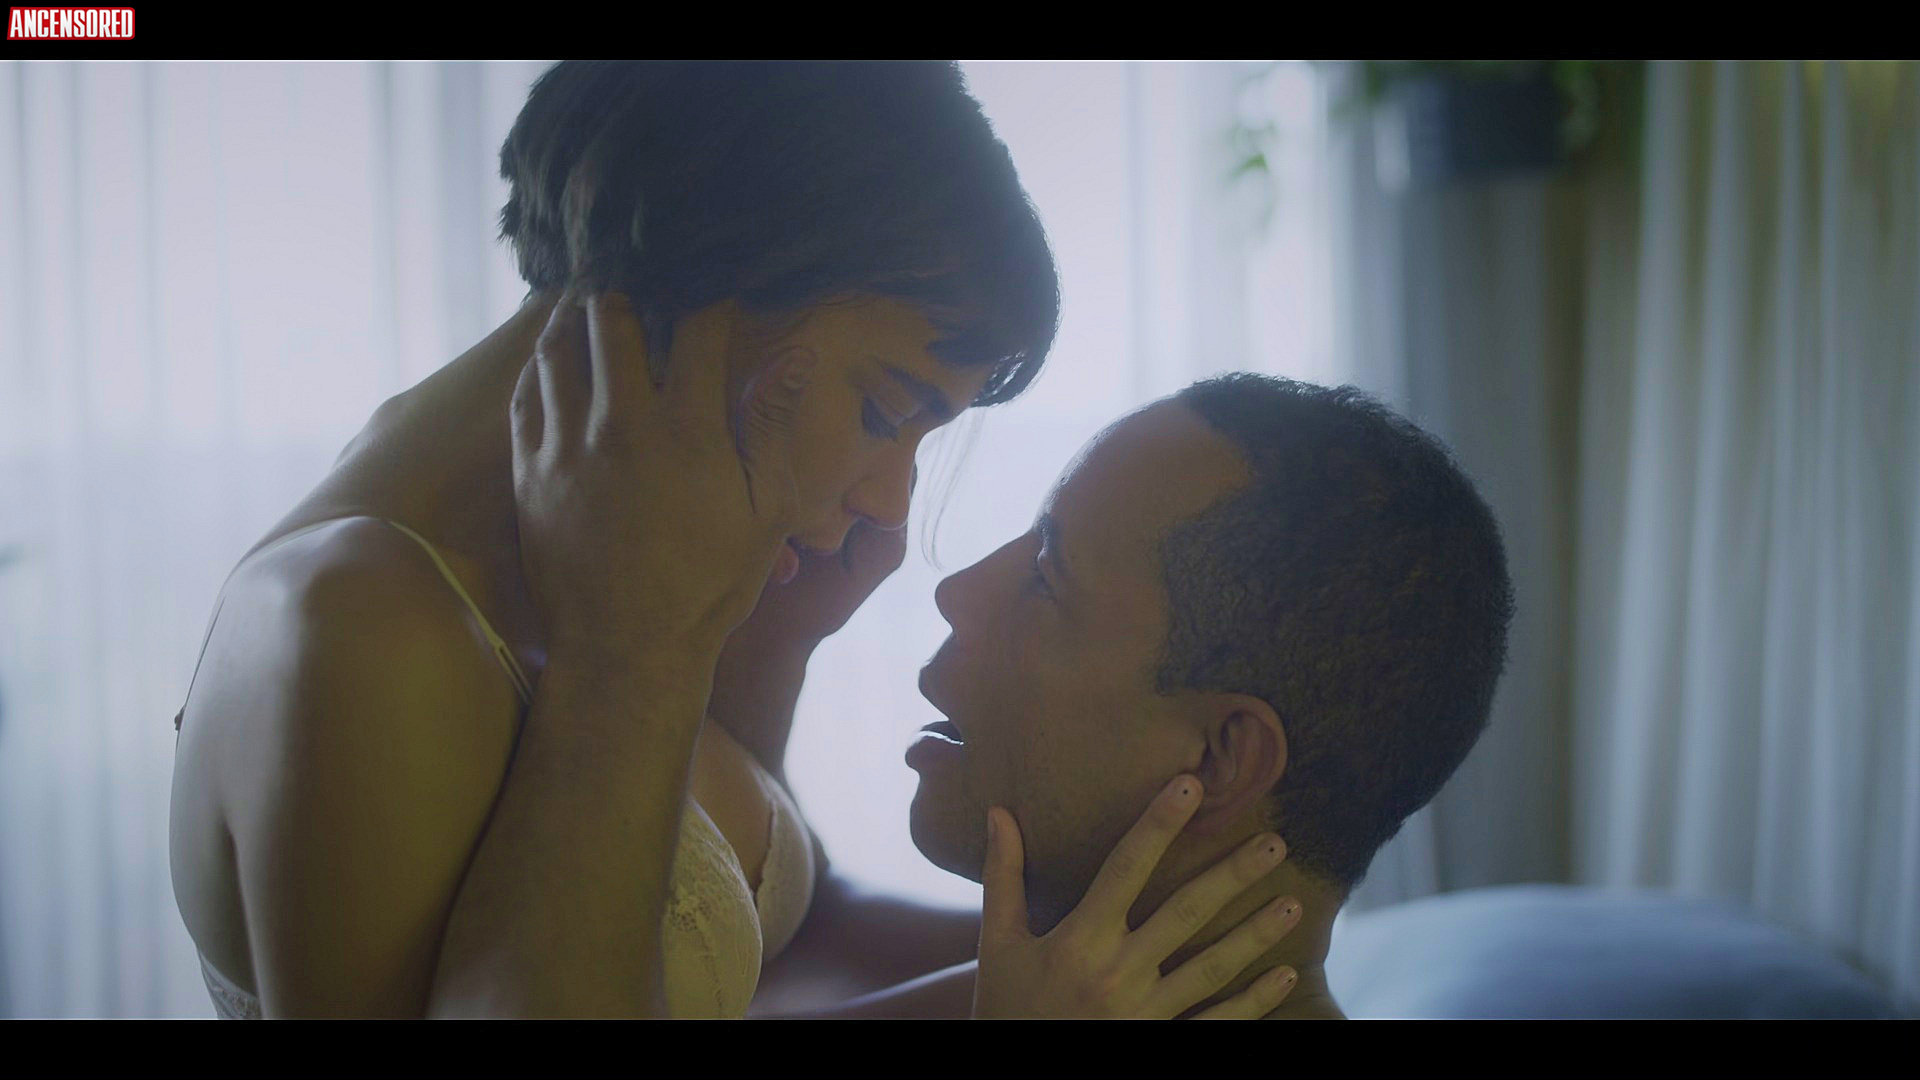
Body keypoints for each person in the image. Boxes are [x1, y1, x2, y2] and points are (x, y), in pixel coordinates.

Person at [167, 60, 1302, 1020]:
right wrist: (633, 660)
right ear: (706, 280)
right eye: (884, 410)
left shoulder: (615, 557)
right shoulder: (362, 631)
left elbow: (743, 961)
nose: (891, 504)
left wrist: (766, 648)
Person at [775, 373, 1515, 1018]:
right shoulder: (1029, 992)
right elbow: (786, 929)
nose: (958, 593)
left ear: (1220, 758)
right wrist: (778, 630)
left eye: (1047, 577)